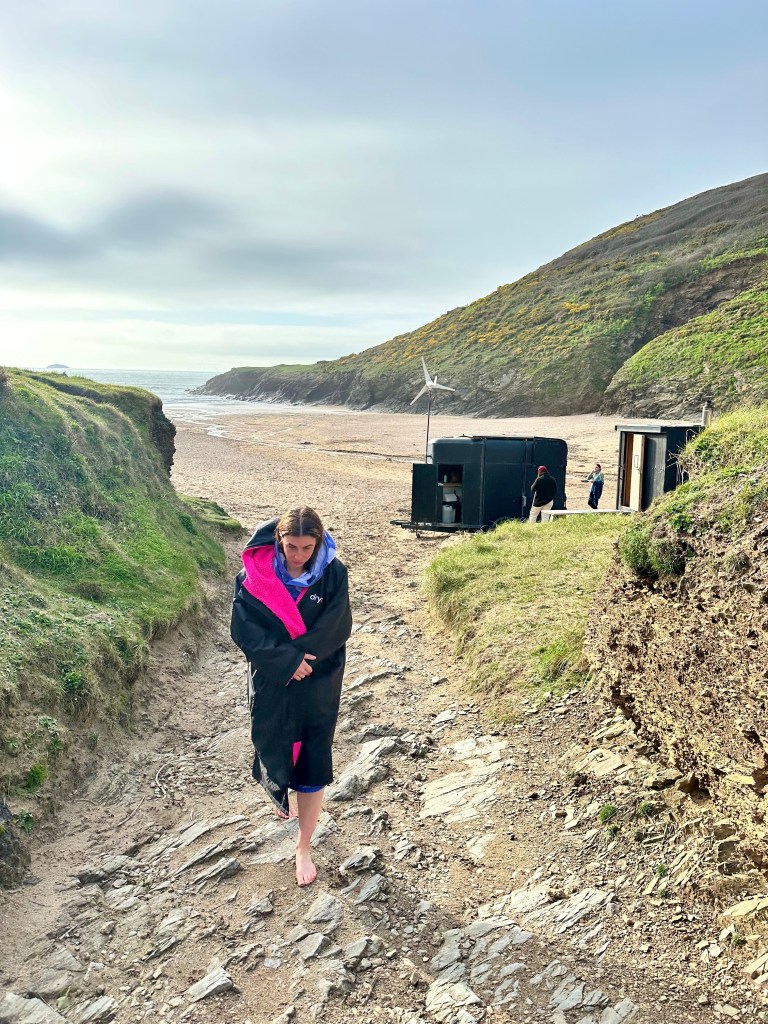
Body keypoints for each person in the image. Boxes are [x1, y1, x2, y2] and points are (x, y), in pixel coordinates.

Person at [230, 506, 352, 887]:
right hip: (274, 680)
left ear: (318, 543)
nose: (299, 555)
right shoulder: (253, 577)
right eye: (291, 547)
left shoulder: (333, 575)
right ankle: (278, 789)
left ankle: (304, 845)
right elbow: (244, 630)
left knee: (313, 761)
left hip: (318, 679)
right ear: (279, 540)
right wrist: (286, 662)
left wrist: (302, 660)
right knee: (273, 742)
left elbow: (337, 626)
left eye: (307, 548)